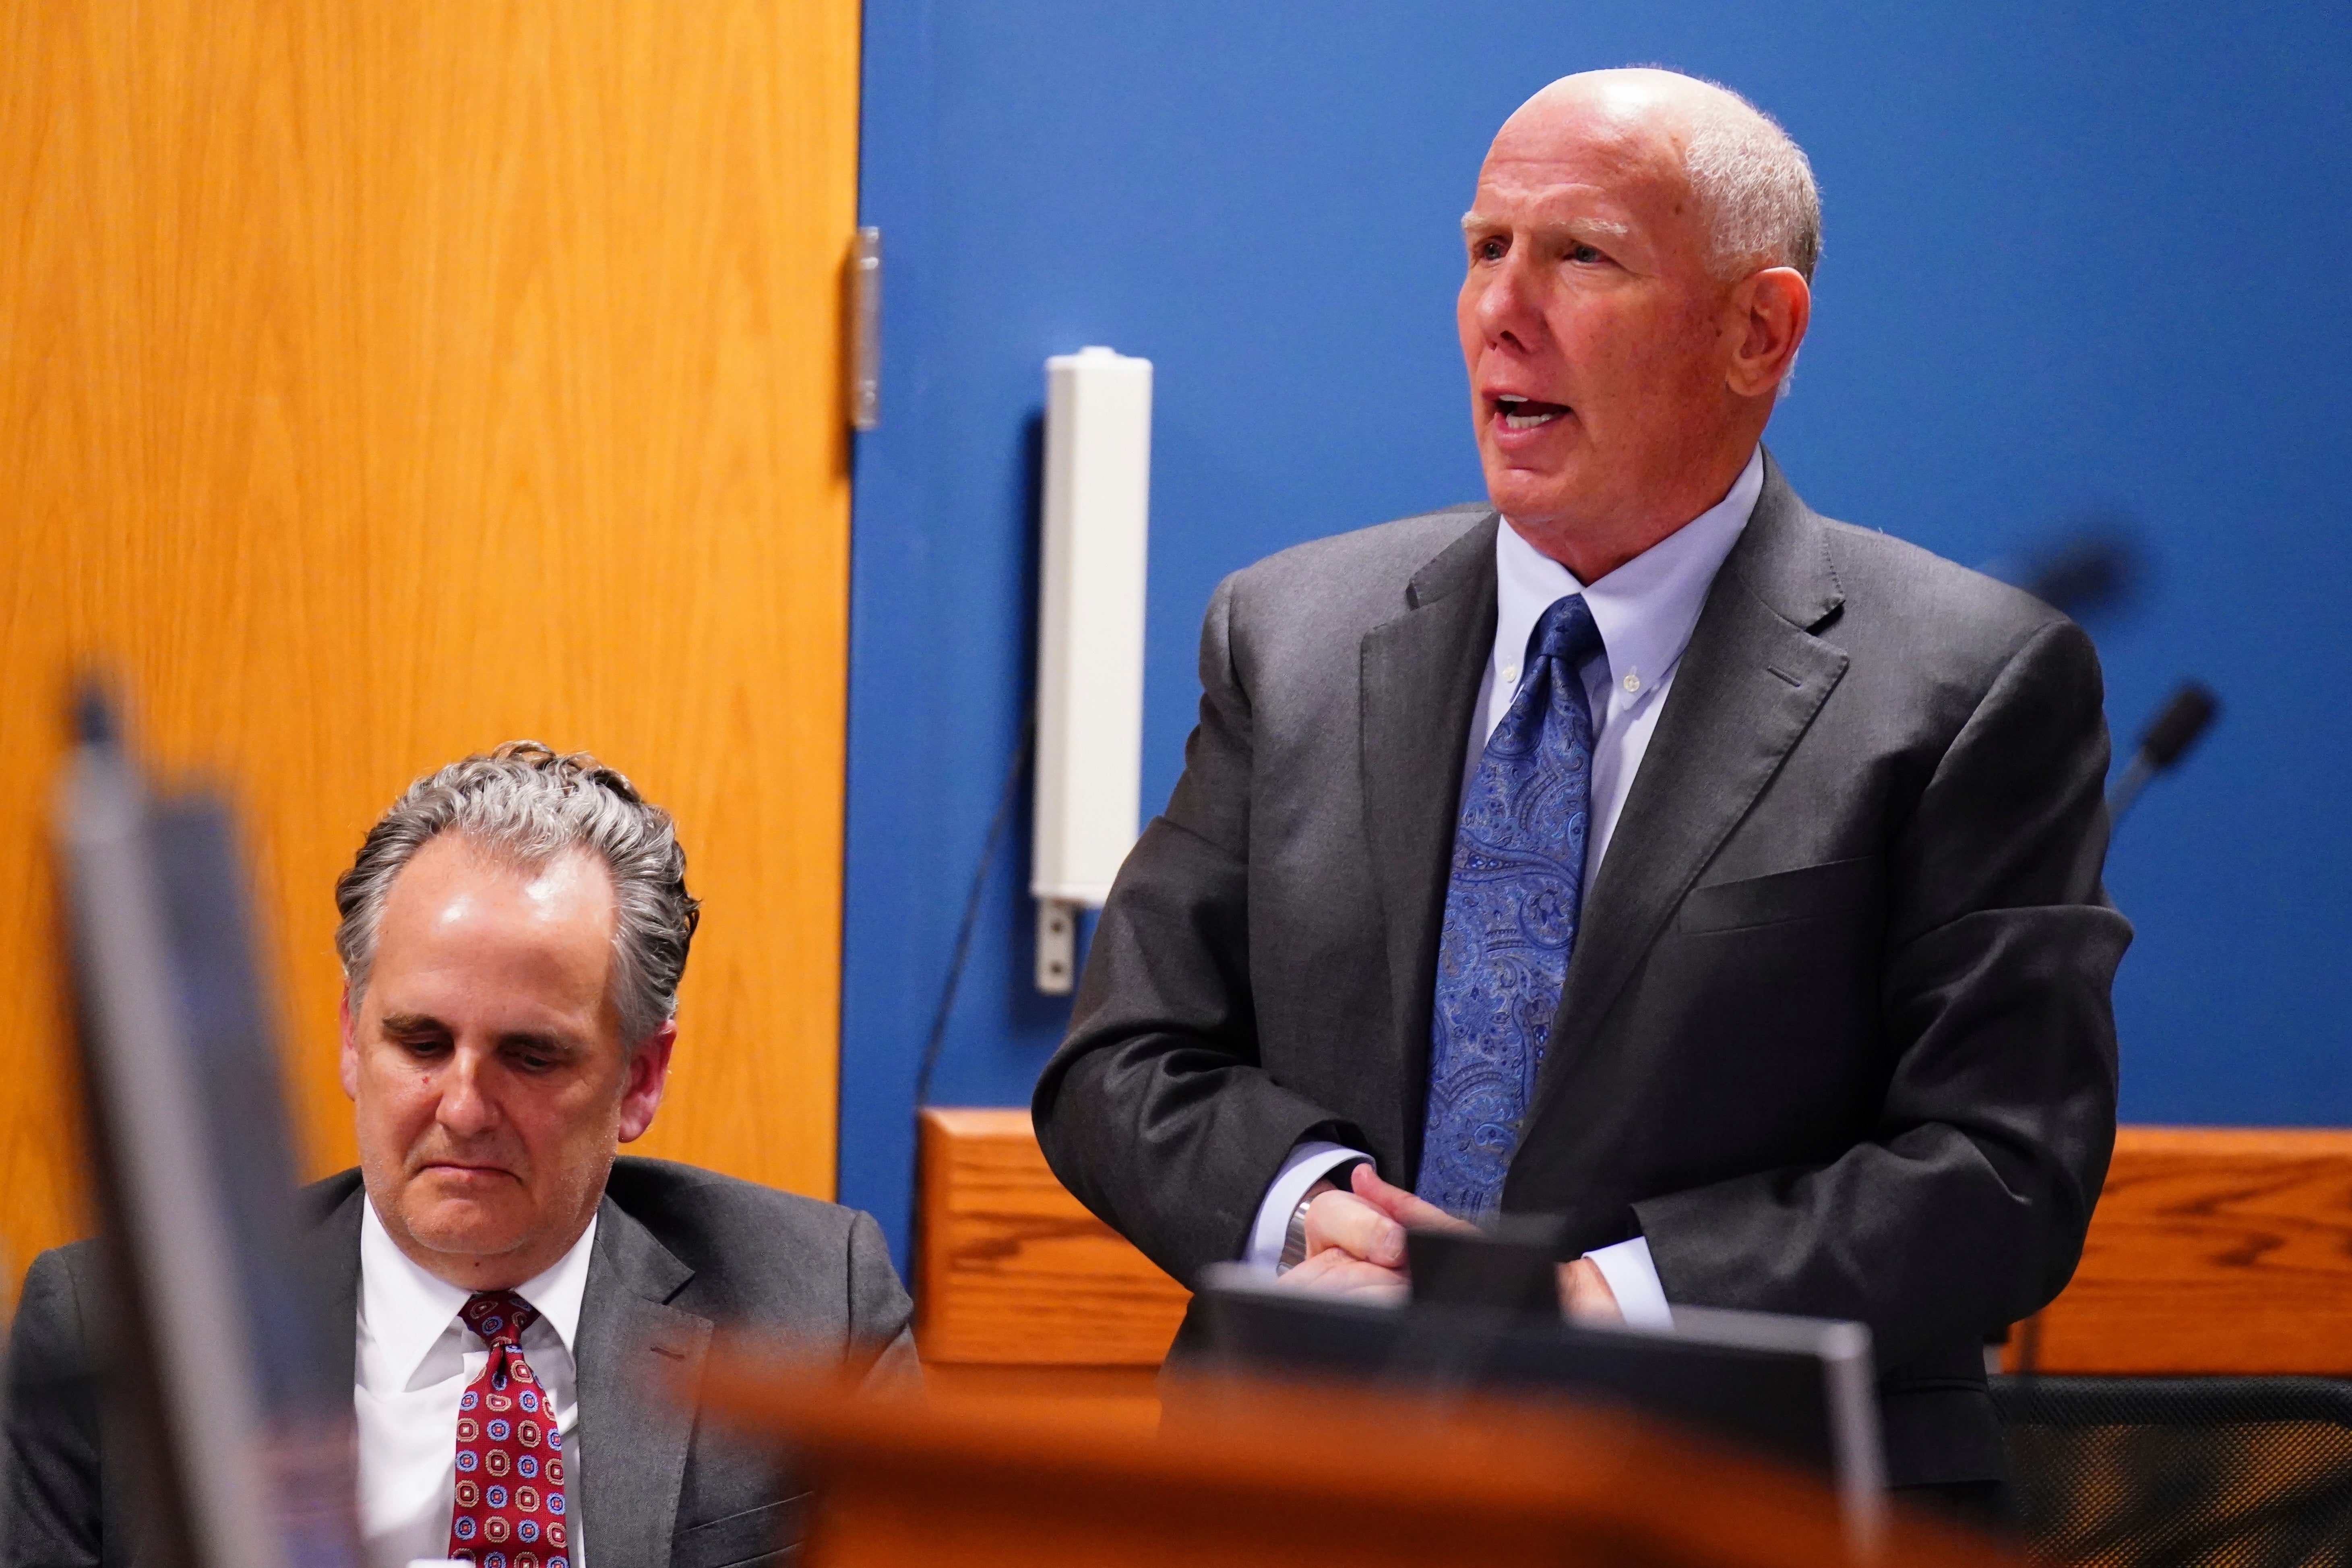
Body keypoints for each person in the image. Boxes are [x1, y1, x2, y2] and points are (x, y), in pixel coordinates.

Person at [1033, 68, 2127, 1507]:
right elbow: (1124, 1058)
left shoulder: (1966, 681)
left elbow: (2001, 1171)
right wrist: (1308, 1215)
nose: (1502, 305)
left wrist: (1593, 1301)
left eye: (1581, 255)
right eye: (1485, 246)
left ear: (1760, 330)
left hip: (1728, 1504)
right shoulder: (1288, 633)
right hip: (1303, 1491)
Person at [6, 742, 917, 1567]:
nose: (465, 1107)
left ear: (640, 1077)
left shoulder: (812, 1310)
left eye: (530, 1055)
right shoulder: (117, 1333)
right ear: (351, 1039)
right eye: (422, 1042)